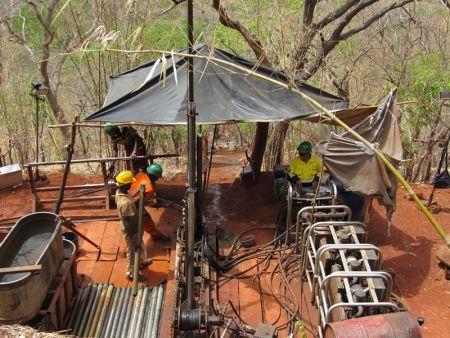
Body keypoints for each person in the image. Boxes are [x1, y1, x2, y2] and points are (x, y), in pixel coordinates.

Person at [115, 170, 153, 281]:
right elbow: (128, 222)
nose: (132, 184)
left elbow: (130, 195)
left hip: (135, 227)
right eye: (130, 183)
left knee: (140, 245)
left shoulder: (119, 191)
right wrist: (134, 236)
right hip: (131, 230)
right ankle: (131, 273)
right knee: (132, 251)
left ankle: (140, 262)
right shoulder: (126, 204)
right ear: (126, 184)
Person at [129, 163, 170, 241]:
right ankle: (156, 236)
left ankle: (155, 234)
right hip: (135, 206)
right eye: (157, 177)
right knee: (146, 222)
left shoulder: (140, 175)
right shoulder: (148, 187)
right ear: (153, 176)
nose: (157, 179)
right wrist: (163, 205)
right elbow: (150, 203)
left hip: (130, 198)